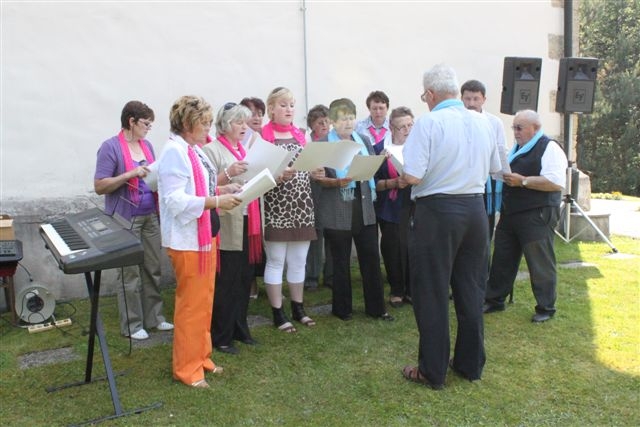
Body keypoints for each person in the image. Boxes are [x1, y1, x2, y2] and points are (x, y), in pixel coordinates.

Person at [401, 64, 500, 389]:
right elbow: (496, 167)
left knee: (431, 290)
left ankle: (433, 369)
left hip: (438, 211)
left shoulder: (428, 122)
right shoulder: (485, 121)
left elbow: (413, 175)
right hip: (475, 209)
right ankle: (470, 364)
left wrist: (400, 171)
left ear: (430, 94)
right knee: (471, 289)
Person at [158, 95, 241, 388]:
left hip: (204, 237)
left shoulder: (194, 150)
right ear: (186, 123)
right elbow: (174, 200)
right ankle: (187, 368)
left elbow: (199, 185)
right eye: (203, 123)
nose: (208, 128)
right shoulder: (174, 152)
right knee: (191, 307)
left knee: (205, 302)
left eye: (208, 122)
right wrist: (216, 200)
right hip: (187, 240)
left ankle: (201, 357)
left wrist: (222, 189)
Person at [94, 100, 173, 340]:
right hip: (125, 218)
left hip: (150, 215)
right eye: (146, 124)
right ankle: (132, 324)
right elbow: (100, 186)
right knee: (129, 274)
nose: (149, 129)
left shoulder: (147, 146)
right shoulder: (110, 147)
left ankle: (155, 318)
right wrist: (130, 174)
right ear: (131, 121)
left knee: (152, 268)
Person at [483, 110, 567, 323]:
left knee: (539, 262)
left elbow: (555, 182)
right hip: (512, 212)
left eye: (520, 128)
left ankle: (546, 307)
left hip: (537, 213)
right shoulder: (517, 149)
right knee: (503, 257)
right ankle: (494, 299)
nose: (515, 132)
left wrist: (523, 181)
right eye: (514, 127)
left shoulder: (549, 147)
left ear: (535, 128)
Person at [316, 98, 394, 322]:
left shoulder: (364, 140)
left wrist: (379, 161)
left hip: (364, 204)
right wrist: (336, 182)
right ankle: (342, 309)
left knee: (371, 257)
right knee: (340, 260)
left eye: (351, 118)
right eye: (342, 119)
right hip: (337, 205)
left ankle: (376, 308)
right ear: (332, 121)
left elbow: (370, 171)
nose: (348, 123)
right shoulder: (323, 144)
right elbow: (318, 179)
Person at [261, 87, 323, 332]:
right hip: (275, 205)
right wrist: (277, 176)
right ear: (271, 109)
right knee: (276, 261)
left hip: (301, 205)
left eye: (291, 105)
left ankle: (298, 308)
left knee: (299, 260)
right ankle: (278, 312)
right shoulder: (262, 137)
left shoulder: (301, 135)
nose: (289, 109)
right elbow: (257, 172)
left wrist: (316, 172)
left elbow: (308, 166)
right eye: (283, 105)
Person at [203, 103, 260, 355]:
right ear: (225, 125)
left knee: (244, 277)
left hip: (248, 219)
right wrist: (228, 173)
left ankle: (240, 328)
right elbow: (204, 186)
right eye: (238, 122)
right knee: (227, 280)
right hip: (226, 222)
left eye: (245, 122)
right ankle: (221, 335)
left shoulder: (243, 149)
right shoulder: (211, 150)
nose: (244, 127)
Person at [373, 106, 414, 308]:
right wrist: (393, 182)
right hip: (390, 203)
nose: (407, 130)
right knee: (392, 246)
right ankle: (397, 289)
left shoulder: (420, 145)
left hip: (416, 202)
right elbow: (372, 182)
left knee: (414, 245)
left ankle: (412, 288)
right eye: (402, 127)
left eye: (410, 125)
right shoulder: (379, 149)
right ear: (391, 128)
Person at [460, 79, 508, 239]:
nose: (471, 103)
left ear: (484, 100)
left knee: (484, 227)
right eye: (467, 99)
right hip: (462, 179)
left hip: (486, 180)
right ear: (461, 99)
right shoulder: (455, 120)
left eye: (476, 99)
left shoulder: (494, 122)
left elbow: (501, 151)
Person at [239, 96, 266, 299]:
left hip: (261, 195)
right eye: (252, 114)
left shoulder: (263, 136)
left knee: (260, 242)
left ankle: (261, 282)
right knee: (245, 243)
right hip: (243, 197)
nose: (257, 117)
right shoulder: (241, 138)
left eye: (260, 114)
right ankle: (249, 284)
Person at [304, 104, 333, 291]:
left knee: (332, 232)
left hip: (331, 189)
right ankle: (311, 277)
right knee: (315, 234)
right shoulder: (307, 142)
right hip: (313, 190)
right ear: (312, 125)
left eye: (327, 122)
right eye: (320, 122)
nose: (324, 125)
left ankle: (330, 276)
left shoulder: (334, 141)